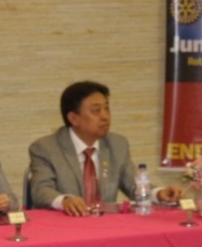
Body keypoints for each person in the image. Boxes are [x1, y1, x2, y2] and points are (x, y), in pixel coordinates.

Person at [29, 81, 183, 216]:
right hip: (65, 226)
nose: (105, 116)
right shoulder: (46, 148)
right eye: (96, 111)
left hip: (105, 225)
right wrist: (65, 201)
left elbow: (133, 185)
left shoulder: (117, 144)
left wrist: (159, 193)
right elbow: (41, 190)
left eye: (107, 109)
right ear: (74, 118)